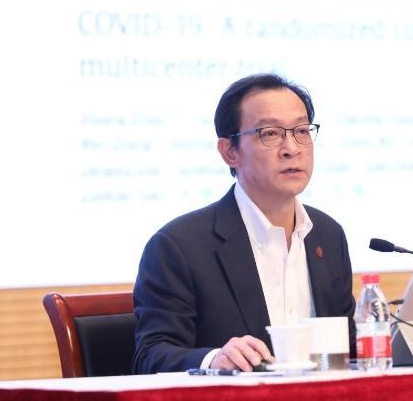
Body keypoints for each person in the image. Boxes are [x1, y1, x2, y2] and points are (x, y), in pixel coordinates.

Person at [132, 73, 356, 374]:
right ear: (230, 152)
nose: (292, 148)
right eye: (270, 133)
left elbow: (349, 349)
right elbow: (150, 356)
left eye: (302, 130)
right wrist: (214, 360)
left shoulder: (328, 236)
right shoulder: (179, 247)